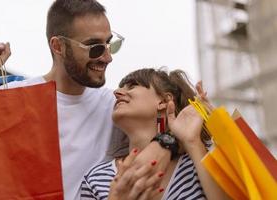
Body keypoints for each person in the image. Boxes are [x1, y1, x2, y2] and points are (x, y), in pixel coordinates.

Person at [0, 0, 174, 199]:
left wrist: (163, 144)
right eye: (95, 47)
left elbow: (179, 124)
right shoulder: (10, 99)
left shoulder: (115, 108)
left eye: (109, 44)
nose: (107, 57)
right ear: (58, 46)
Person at [80, 68, 229, 200]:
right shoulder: (96, 179)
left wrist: (193, 142)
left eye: (132, 86)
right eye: (120, 88)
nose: (117, 92)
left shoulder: (201, 157)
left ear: (164, 101)